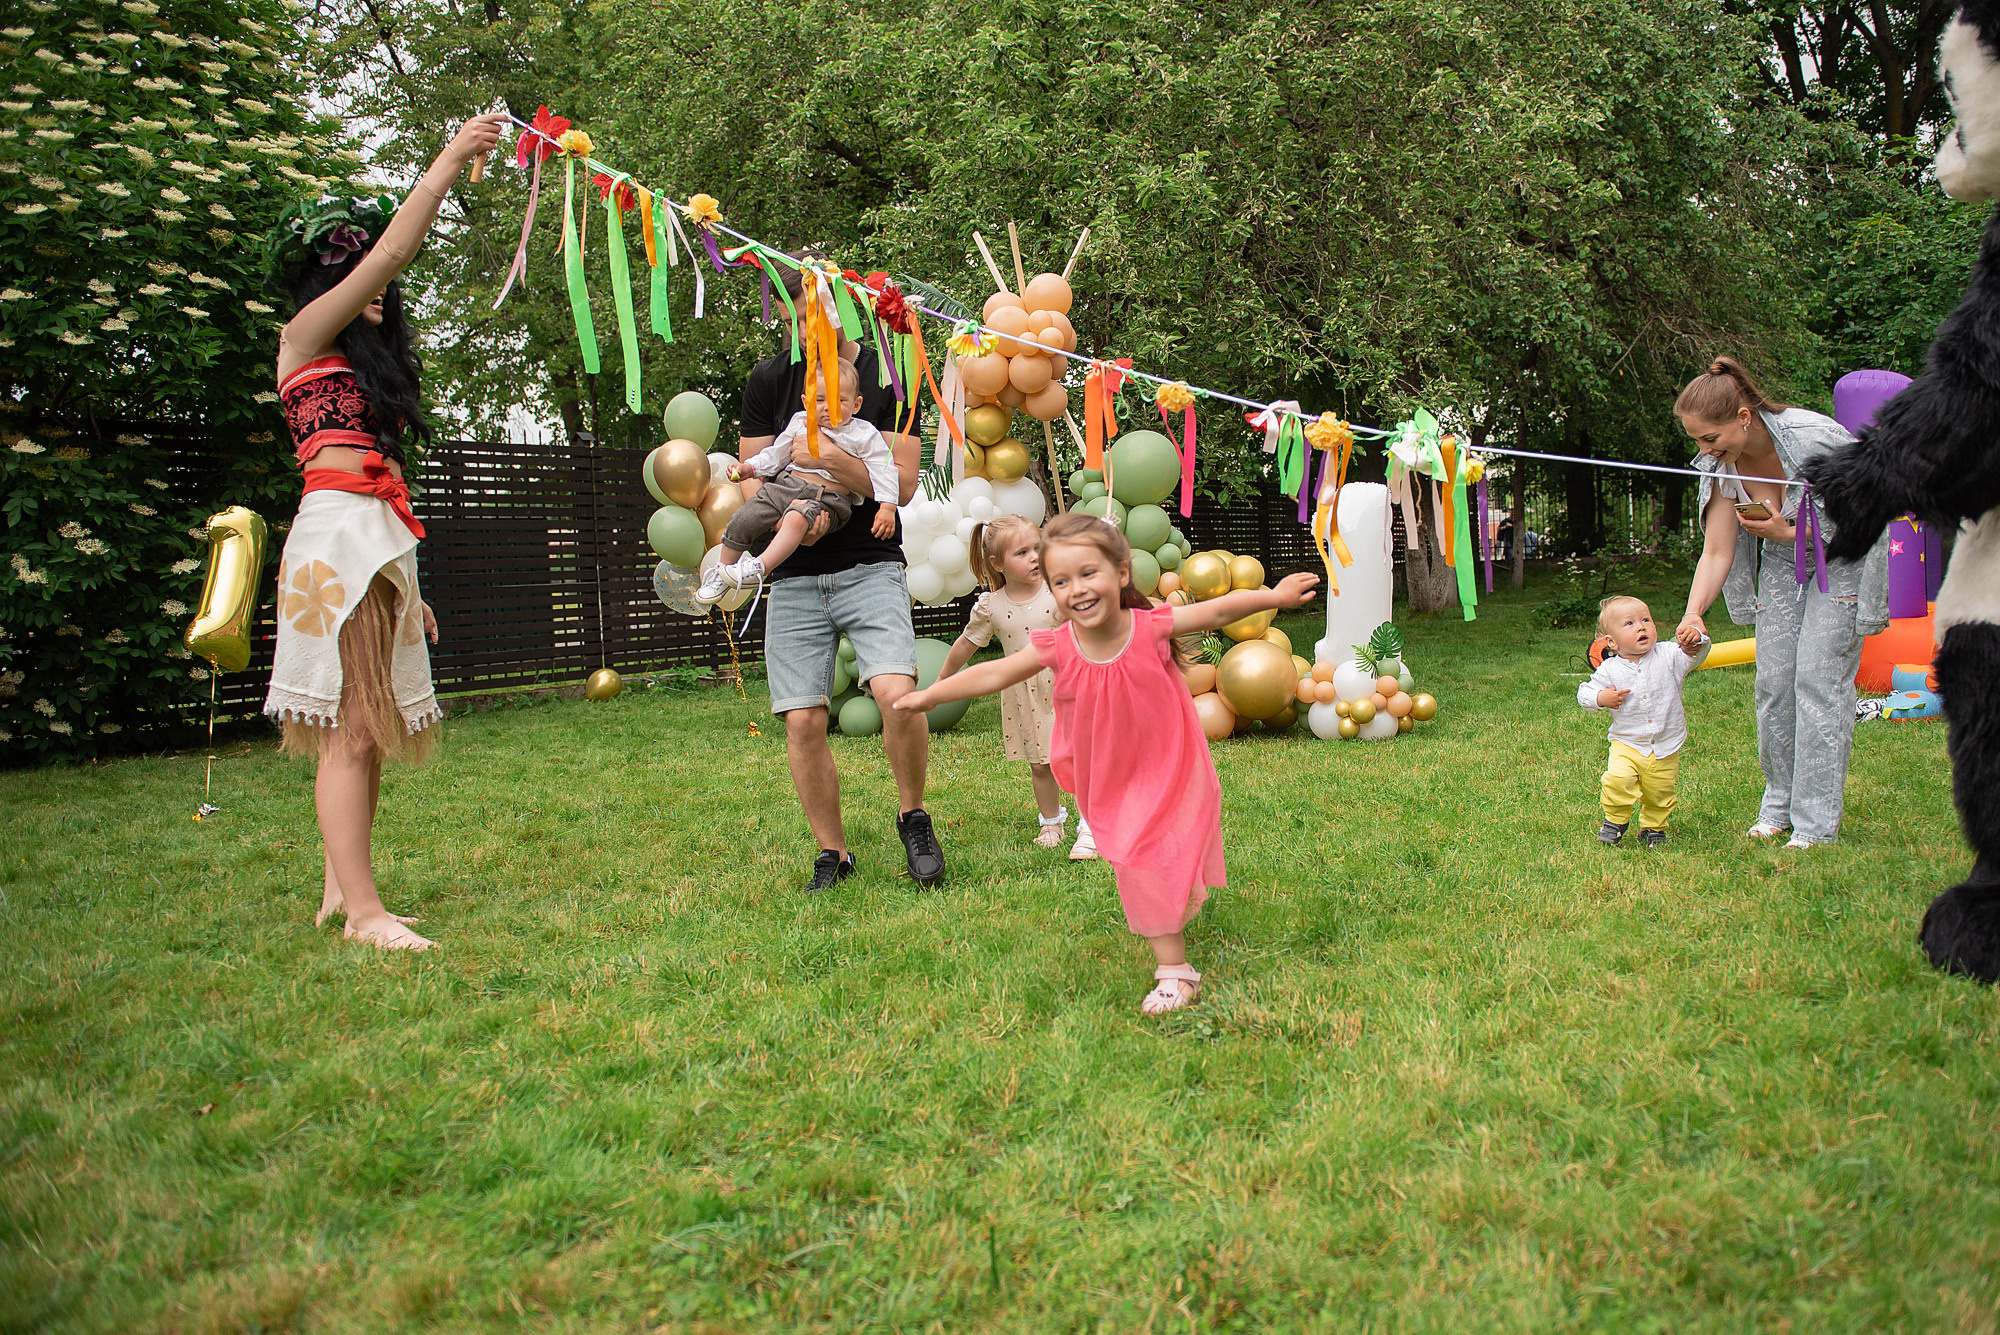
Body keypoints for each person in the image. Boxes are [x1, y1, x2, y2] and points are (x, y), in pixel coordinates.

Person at [895, 514, 1320, 1014]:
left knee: (1150, 854)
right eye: (1061, 581)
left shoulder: (1148, 626)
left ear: (1120, 573)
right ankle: (1170, 928)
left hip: (1168, 761)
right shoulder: (1059, 644)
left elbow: (1217, 609)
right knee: (1139, 856)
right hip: (1111, 774)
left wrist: (1275, 596)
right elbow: (995, 673)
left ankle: (1175, 971)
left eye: (1088, 573)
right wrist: (931, 696)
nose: (1076, 589)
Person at [262, 112, 509, 950]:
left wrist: (409, 591)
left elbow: (385, 491)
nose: (375, 279)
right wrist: (452, 156)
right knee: (352, 727)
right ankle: (365, 915)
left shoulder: (365, 372)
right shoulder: (301, 339)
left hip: (372, 543)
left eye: (373, 272)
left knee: (365, 727)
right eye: (352, 265)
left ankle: (344, 896)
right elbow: (396, 249)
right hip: (334, 542)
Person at [738, 255, 937, 892]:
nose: (804, 334)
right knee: (802, 718)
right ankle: (834, 853)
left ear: (841, 312)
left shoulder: (887, 375)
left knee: (895, 694)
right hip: (795, 572)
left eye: (815, 319)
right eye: (793, 322)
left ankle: (913, 816)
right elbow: (754, 481)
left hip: (868, 564)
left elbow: (902, 484)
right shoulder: (769, 381)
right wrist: (796, 511)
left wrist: (831, 465)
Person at [1674, 357, 1888, 849]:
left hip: (1844, 559)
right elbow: (1717, 551)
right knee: (1774, 682)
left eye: (1711, 438)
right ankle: (1778, 806)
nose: (1705, 451)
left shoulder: (1815, 439)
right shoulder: (1721, 466)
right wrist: (1693, 612)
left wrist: (1789, 532)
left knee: (1817, 680)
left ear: (1743, 417)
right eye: (1697, 441)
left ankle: (1815, 825)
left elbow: (1869, 512)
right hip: (1782, 562)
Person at [935, 514, 1089, 852]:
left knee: (1077, 757)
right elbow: (966, 643)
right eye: (1022, 553)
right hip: (1025, 694)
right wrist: (943, 679)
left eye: (1037, 548)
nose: (1035, 557)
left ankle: (1090, 824)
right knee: (1040, 763)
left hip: (1068, 688)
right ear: (997, 563)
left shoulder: (1058, 590)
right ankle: (1051, 823)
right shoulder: (992, 605)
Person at [698, 358, 898, 603]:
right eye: (819, 400)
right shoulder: (800, 422)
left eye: (839, 401)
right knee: (746, 515)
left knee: (796, 518)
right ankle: (721, 572)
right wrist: (750, 468)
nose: (828, 408)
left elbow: (884, 468)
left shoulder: (863, 434)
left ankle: (759, 568)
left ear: (856, 404)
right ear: (806, 402)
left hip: (826, 498)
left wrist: (887, 507)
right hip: (786, 486)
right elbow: (777, 454)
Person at [1579, 595, 1710, 846]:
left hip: (1666, 743)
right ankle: (1615, 820)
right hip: (1627, 742)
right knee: (1618, 780)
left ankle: (1653, 827)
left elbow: (1694, 656)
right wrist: (1601, 698)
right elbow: (1584, 693)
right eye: (1630, 623)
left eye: (1646, 620)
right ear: (1611, 642)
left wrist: (1695, 642)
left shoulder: (1669, 655)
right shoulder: (1609, 669)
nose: (1641, 627)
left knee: (1660, 791)